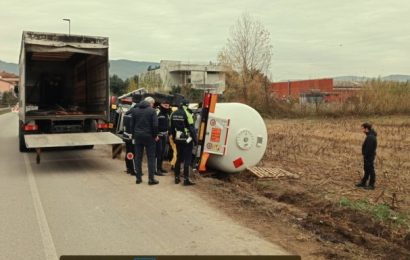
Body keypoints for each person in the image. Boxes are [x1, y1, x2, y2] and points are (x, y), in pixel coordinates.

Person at [130, 96, 159, 185]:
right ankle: (151, 179)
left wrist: (134, 135)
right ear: (150, 103)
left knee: (138, 157)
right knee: (151, 158)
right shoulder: (152, 111)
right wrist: (155, 135)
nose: (153, 105)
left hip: (138, 136)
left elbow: (132, 125)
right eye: (153, 104)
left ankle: (138, 178)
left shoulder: (135, 110)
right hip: (149, 137)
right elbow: (155, 125)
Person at [170, 99, 197, 186]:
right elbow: (191, 128)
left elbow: (171, 128)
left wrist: (174, 138)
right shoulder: (188, 113)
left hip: (178, 138)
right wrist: (195, 140)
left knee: (178, 158)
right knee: (187, 159)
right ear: (187, 105)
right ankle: (186, 180)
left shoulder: (173, 113)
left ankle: (176, 178)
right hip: (187, 139)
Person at [356, 122, 377, 190]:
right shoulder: (370, 135)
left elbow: (369, 149)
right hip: (368, 156)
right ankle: (363, 182)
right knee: (366, 169)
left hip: (369, 156)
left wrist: (366, 155)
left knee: (370, 169)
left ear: (366, 128)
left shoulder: (371, 137)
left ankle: (371, 185)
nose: (362, 130)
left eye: (363, 129)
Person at [155, 100, 171, 176]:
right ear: (161, 105)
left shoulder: (167, 114)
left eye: (168, 106)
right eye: (165, 105)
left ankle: (160, 168)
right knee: (158, 153)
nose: (167, 107)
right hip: (159, 136)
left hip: (165, 135)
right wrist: (156, 135)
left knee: (162, 153)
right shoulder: (158, 113)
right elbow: (155, 125)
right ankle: (156, 169)